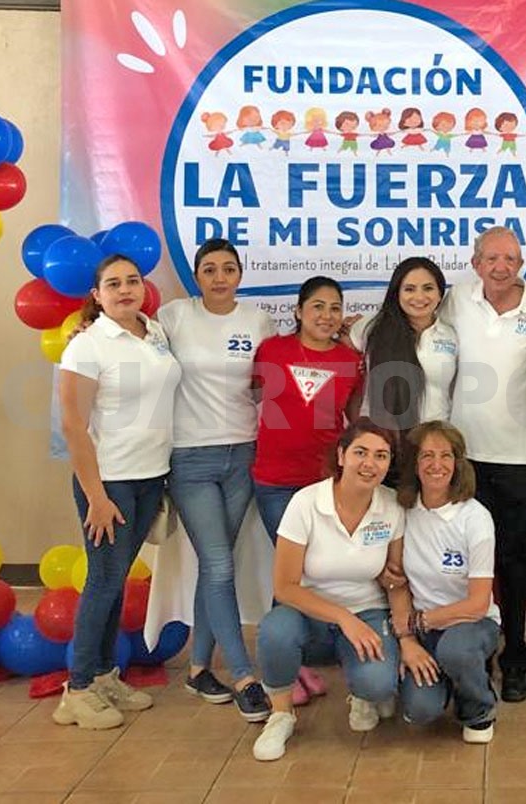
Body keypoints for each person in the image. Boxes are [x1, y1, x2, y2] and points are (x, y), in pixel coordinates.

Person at [54, 254, 180, 730]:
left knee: (116, 580)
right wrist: (97, 497)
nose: (125, 289)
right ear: (96, 294)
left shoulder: (155, 333)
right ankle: (79, 687)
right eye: (113, 283)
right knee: (104, 581)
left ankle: (104, 674)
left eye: (132, 281)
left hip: (151, 476)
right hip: (109, 482)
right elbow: (72, 426)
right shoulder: (87, 347)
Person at [155, 239, 279, 721]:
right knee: (220, 564)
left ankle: (198, 667)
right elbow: (139, 349)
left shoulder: (257, 320)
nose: (220, 277)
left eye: (229, 269)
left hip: (242, 453)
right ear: (197, 275)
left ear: (240, 274)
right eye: (210, 269)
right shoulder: (174, 316)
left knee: (216, 566)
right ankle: (246, 676)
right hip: (190, 457)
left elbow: (264, 379)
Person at [438, 225, 526, 703]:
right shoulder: (455, 300)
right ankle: (475, 657)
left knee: (512, 562)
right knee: (466, 564)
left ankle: (515, 658)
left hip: (519, 456)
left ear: (521, 261)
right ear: (475, 262)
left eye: (511, 258)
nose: (502, 267)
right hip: (463, 457)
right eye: (492, 259)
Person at [252, 419, 405, 761]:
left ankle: (362, 692)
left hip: (368, 613)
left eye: (381, 456)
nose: (370, 463)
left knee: (379, 685)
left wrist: (400, 623)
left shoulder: (392, 506)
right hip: (309, 613)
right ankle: (280, 714)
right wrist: (342, 618)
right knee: (275, 631)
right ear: (341, 455)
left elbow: (394, 577)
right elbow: (285, 586)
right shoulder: (305, 503)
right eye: (360, 452)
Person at [393, 421, 501, 743]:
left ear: (458, 464)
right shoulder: (403, 511)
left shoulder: (475, 517)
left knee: (455, 649)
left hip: (471, 625)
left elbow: (478, 603)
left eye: (445, 456)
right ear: (414, 463)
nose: (436, 465)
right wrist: (408, 641)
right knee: (419, 711)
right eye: (426, 455)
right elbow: (395, 582)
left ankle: (479, 708)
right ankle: (451, 681)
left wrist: (417, 622)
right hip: (423, 631)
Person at [251, 276, 363, 542]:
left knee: (323, 564)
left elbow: (354, 416)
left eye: (335, 308)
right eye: (318, 306)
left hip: (326, 481)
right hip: (275, 480)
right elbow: (251, 394)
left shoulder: (350, 360)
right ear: (299, 311)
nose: (327, 315)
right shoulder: (271, 350)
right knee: (290, 567)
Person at [347, 257, 458, 479]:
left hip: (431, 450)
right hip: (380, 447)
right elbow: (341, 345)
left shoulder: (451, 335)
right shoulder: (371, 328)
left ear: (440, 294)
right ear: (396, 292)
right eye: (409, 289)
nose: (419, 297)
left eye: (428, 288)